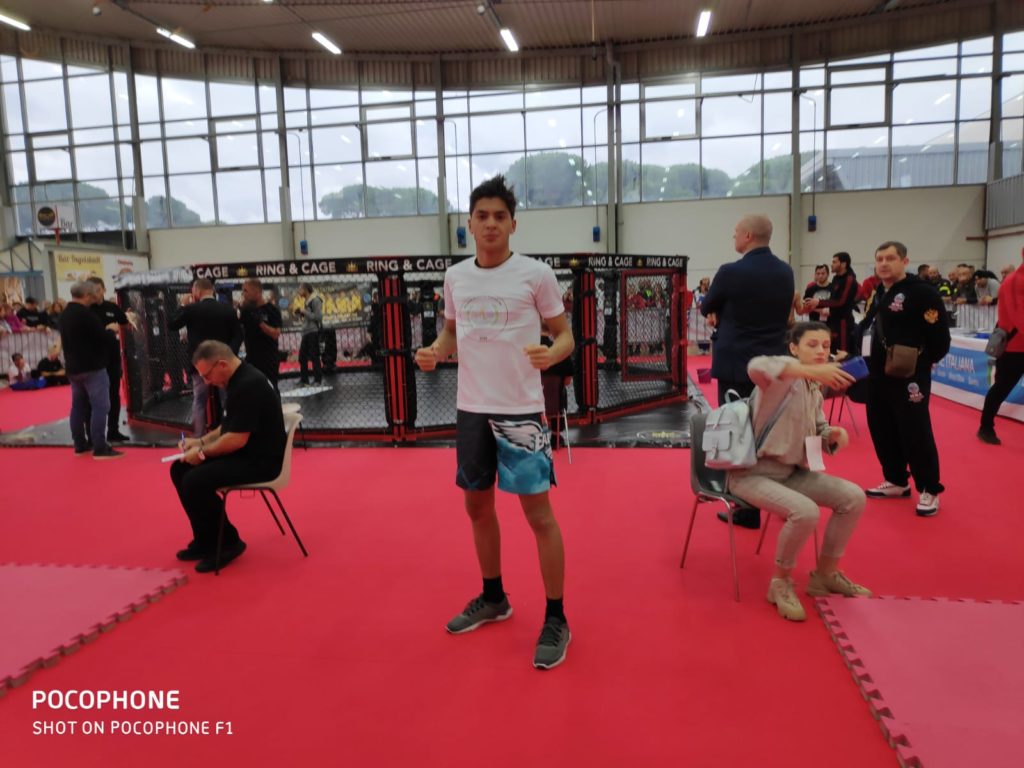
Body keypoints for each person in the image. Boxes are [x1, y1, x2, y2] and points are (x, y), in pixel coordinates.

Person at [414, 175, 574, 670]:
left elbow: (565, 336)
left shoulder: (536, 275)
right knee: (477, 508)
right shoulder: (456, 276)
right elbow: (451, 333)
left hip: (520, 410)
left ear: (513, 224)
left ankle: (556, 617)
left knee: (538, 516)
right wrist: (436, 351)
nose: (490, 224)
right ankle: (493, 597)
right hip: (471, 409)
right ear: (469, 223)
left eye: (499, 216)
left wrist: (551, 353)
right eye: (481, 216)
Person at [727, 322, 869, 621]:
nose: (821, 352)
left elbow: (818, 427)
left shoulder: (813, 388)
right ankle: (780, 582)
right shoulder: (780, 379)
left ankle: (825, 574)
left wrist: (831, 434)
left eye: (825, 346)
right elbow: (756, 365)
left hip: (791, 473)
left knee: (854, 497)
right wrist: (811, 372)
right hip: (751, 474)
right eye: (812, 345)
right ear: (793, 348)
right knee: (805, 512)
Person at [700, 214, 795, 529]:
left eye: (736, 233)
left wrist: (719, 312)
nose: (734, 238)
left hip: (737, 364)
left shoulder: (731, 271)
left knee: (737, 435)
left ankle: (745, 507)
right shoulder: (785, 272)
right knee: (767, 434)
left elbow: (707, 305)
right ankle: (776, 499)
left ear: (749, 236)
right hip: (772, 364)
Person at [170, 340, 286, 574]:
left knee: (194, 480)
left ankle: (228, 542)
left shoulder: (248, 385)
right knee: (180, 469)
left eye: (207, 375)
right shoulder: (237, 379)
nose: (206, 382)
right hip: (248, 453)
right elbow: (227, 426)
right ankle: (206, 539)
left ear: (221, 364)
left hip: (262, 461)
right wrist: (200, 442)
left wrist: (201, 453)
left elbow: (235, 439)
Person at [863, 242, 950, 517]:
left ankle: (929, 487)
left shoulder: (922, 292)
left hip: (910, 374)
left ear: (904, 261)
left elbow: (940, 337)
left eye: (890, 258)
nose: (884, 263)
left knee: (915, 429)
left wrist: (920, 362)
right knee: (881, 426)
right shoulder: (879, 291)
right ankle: (896, 479)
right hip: (877, 372)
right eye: (879, 258)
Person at [168, 278, 243, 436]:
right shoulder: (227, 310)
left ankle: (199, 437)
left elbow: (172, 324)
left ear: (197, 291)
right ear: (212, 290)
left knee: (199, 401)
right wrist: (229, 354)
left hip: (200, 364)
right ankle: (229, 433)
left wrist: (183, 305)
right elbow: (238, 335)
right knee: (226, 400)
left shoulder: (191, 309)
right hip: (222, 363)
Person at [58, 281, 123, 459]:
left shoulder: (64, 314)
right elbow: (101, 338)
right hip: (92, 367)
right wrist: (111, 330)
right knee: (101, 406)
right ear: (86, 295)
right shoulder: (86, 315)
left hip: (73, 368)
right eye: (92, 293)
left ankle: (80, 444)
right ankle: (100, 446)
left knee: (78, 407)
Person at [978, 253, 1024, 445]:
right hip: (1013, 347)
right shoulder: (1014, 280)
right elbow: (1018, 315)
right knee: (1001, 388)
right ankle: (985, 426)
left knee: (1001, 387)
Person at [86, 277, 132, 442]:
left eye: (98, 290)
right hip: (94, 360)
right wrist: (106, 329)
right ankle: (92, 435)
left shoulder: (112, 307)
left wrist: (129, 321)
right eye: (92, 291)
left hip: (112, 358)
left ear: (104, 290)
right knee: (93, 398)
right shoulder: (86, 310)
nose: (95, 294)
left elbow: (125, 323)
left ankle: (113, 430)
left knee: (114, 395)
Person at [804, 252, 859, 353]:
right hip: (831, 321)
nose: (832, 264)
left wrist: (818, 302)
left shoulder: (849, 279)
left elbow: (841, 301)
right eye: (818, 273)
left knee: (841, 352)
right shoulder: (835, 278)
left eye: (834, 262)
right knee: (831, 350)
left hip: (843, 322)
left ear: (843, 264)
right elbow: (832, 299)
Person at [239, 278, 283, 390]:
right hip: (251, 357)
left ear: (257, 292)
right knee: (254, 389)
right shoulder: (247, 310)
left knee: (270, 388)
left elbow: (275, 334)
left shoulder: (271, 310)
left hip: (268, 358)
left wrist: (260, 323)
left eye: (246, 291)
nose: (243, 294)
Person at [295, 282, 323, 386]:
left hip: (313, 331)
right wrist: (301, 314)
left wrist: (304, 312)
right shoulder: (306, 301)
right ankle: (304, 379)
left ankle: (317, 380)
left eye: (300, 289)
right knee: (302, 357)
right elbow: (309, 317)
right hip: (306, 332)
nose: (299, 291)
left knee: (314, 356)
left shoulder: (315, 300)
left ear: (306, 289)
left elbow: (318, 317)